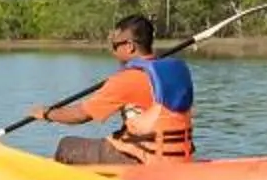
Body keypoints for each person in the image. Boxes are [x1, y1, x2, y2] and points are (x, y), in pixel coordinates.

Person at [35, 13, 197, 166]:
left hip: (144, 158)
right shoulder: (179, 71)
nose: (113, 52)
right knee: (115, 137)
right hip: (180, 155)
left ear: (129, 46)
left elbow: (80, 115)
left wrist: (48, 114)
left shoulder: (126, 79)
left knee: (67, 145)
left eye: (115, 46)